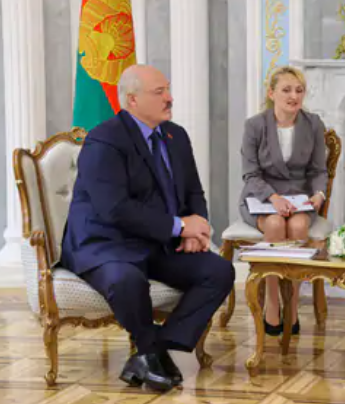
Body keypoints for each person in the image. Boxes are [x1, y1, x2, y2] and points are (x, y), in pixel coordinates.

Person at [61, 65, 235, 391]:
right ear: (132, 100)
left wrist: (196, 230)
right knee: (126, 280)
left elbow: (193, 192)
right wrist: (179, 226)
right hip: (106, 243)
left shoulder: (175, 135)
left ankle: (154, 351)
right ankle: (150, 351)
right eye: (159, 92)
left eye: (168, 89)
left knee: (219, 271)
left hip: (156, 242)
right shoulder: (105, 139)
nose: (170, 98)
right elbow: (114, 208)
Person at [239, 66, 328, 336]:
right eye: (286, 90)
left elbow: (318, 170)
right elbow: (250, 174)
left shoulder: (313, 123)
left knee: (298, 227)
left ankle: (293, 305)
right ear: (271, 93)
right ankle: (272, 303)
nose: (294, 96)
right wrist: (273, 198)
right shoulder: (255, 125)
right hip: (261, 196)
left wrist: (319, 194)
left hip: (299, 197)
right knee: (276, 225)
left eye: (299, 90)